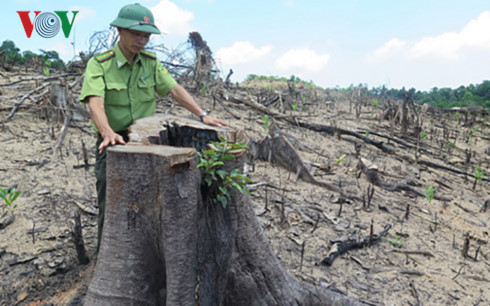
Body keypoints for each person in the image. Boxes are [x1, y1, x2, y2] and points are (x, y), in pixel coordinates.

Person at [79, 3, 227, 253]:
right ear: (120, 31)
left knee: (149, 201)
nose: (142, 40)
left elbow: (174, 89)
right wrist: (106, 131)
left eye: (146, 35)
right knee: (111, 201)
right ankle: (106, 256)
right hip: (114, 143)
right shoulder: (100, 64)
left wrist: (202, 114)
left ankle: (146, 254)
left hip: (148, 144)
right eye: (137, 34)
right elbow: (95, 102)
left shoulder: (150, 62)